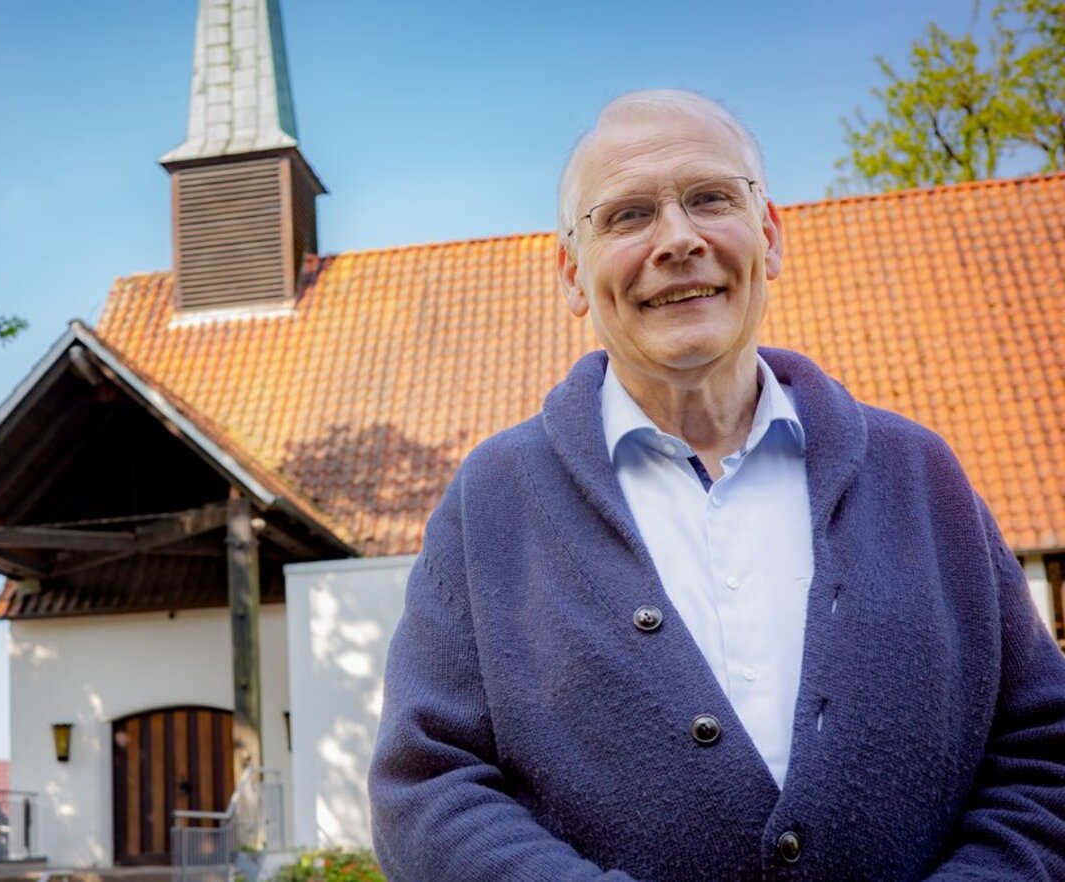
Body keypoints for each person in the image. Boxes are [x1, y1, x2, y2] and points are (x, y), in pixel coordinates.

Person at [367, 90, 1065, 881]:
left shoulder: (922, 477)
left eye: (710, 198)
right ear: (570, 272)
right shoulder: (491, 502)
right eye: (627, 215)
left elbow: (1044, 757)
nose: (677, 239)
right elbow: (425, 788)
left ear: (768, 236)